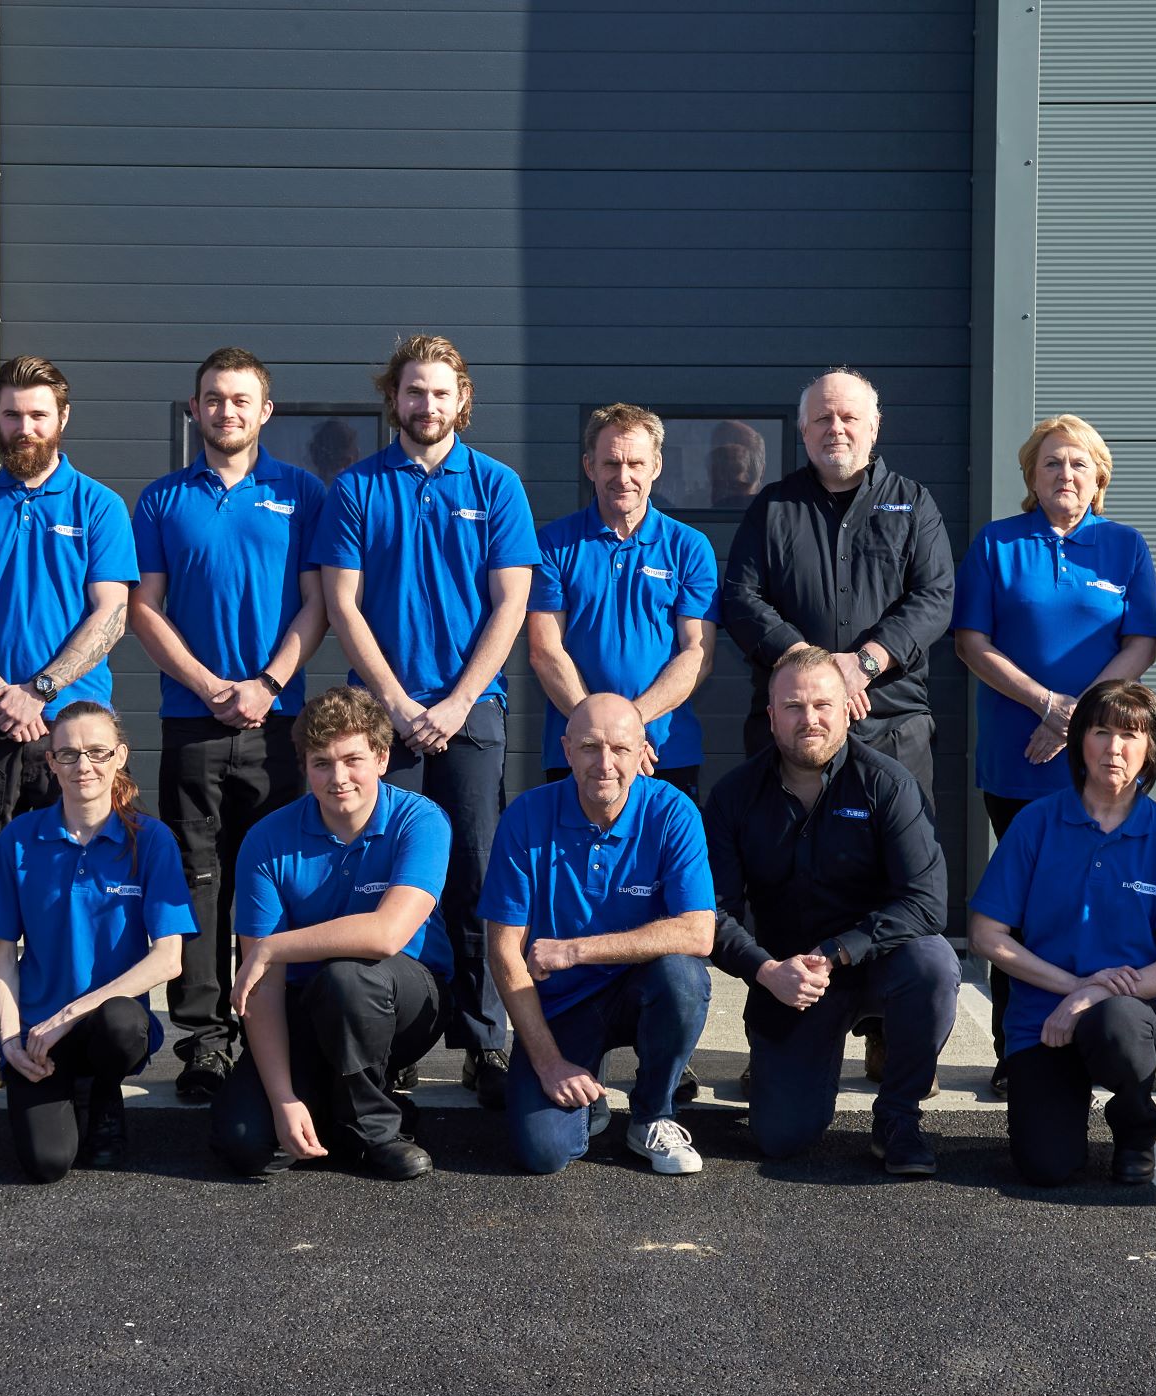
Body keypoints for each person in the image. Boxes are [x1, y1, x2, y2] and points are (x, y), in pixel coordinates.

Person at [312, 335, 535, 1109]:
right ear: (393, 398)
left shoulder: (497, 485)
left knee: (474, 877)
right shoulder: (356, 488)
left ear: (461, 400)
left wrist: (457, 701)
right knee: (384, 878)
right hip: (382, 719)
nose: (426, 404)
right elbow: (342, 605)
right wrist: (400, 705)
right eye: (414, 391)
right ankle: (394, 1039)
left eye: (440, 392)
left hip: (472, 714)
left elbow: (510, 603)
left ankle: (483, 1039)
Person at [719, 368, 956, 1084]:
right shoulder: (773, 508)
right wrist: (810, 669)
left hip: (891, 725)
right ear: (803, 430)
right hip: (790, 727)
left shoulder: (913, 504)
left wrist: (867, 662)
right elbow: (741, 596)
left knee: (895, 880)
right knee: (782, 882)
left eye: (849, 417)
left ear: (874, 427)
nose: (836, 429)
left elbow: (935, 595)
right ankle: (782, 1018)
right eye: (822, 418)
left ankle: (889, 1033)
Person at [0, 355, 136, 1109]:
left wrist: (39, 691)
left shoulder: (99, 506)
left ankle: (68, 1038)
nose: (24, 427)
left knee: (75, 884)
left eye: (37, 414)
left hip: (72, 734)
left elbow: (111, 612)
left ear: (62, 418)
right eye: (12, 414)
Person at [128, 347, 328, 1106]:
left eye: (241, 400)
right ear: (194, 409)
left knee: (275, 879)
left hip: (279, 722)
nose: (226, 411)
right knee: (198, 883)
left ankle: (277, 1028)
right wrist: (209, 685)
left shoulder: (300, 492)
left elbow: (319, 603)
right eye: (213, 399)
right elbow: (144, 608)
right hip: (194, 721)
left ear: (265, 411)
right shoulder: (161, 500)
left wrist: (267, 683)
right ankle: (205, 1041)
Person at [952, 413, 1156, 1090]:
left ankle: (1105, 1034)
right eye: (1050, 463)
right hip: (1018, 759)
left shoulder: (1125, 546)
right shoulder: (997, 543)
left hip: (1105, 760)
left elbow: (1140, 644)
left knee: (1101, 900)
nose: (1064, 474)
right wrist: (1047, 705)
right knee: (1022, 907)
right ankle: (1017, 1051)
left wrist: (1076, 719)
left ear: (1099, 477)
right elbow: (971, 643)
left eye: (1077, 463)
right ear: (1030, 476)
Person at [703, 647, 960, 1173]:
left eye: (823, 705)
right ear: (771, 716)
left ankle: (899, 1117)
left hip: (879, 961)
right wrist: (766, 971)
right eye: (793, 707)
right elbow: (713, 913)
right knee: (781, 1137)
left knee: (934, 964)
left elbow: (927, 903)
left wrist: (839, 950)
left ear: (848, 708)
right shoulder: (733, 797)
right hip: (789, 978)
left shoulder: (888, 784)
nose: (810, 719)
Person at [209, 687, 454, 1182]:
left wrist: (274, 946)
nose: (338, 777)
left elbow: (387, 935)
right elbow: (264, 987)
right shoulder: (267, 839)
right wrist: (283, 1099)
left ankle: (376, 1132)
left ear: (381, 759)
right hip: (307, 1008)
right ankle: (339, 1107)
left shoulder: (420, 820)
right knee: (248, 1145)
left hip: (403, 1003)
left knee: (348, 979)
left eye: (352, 760)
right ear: (304, 766)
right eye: (321, 763)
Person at [968, 681, 1156, 1187]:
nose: (1113, 748)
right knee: (1045, 1167)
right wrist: (1074, 988)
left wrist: (1093, 995)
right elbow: (986, 936)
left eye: (1130, 735)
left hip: (1132, 1012)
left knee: (1116, 1024)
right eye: (1100, 732)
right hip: (1042, 1017)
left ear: (1151, 749)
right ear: (1079, 742)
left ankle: (1135, 1126)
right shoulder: (1035, 823)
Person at [482, 695, 716, 1176]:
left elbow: (698, 933)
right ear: (566, 750)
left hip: (638, 991)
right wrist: (549, 1063)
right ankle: (588, 1091)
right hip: (561, 1005)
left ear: (643, 752)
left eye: (620, 749)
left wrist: (576, 950)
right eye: (589, 747)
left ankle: (652, 1114)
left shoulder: (673, 812)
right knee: (544, 1153)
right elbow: (504, 952)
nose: (604, 764)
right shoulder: (526, 816)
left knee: (684, 978)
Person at [0, 703, 194, 1183]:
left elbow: (168, 959)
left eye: (97, 751)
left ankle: (103, 1091)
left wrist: (71, 1014)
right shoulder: (20, 839)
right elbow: (2, 957)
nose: (83, 766)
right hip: (38, 1034)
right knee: (47, 1163)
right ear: (50, 762)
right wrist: (9, 1041)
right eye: (68, 754)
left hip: (104, 1024)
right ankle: (70, 1090)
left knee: (120, 1024)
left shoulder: (151, 839)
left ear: (120, 756)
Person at [526, 403, 719, 797]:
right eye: (611, 463)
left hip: (662, 752)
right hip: (576, 754)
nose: (624, 476)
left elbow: (698, 654)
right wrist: (597, 736)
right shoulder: (553, 544)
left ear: (656, 466)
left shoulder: (689, 547)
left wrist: (630, 729)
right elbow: (545, 651)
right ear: (589, 466)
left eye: (636, 463)